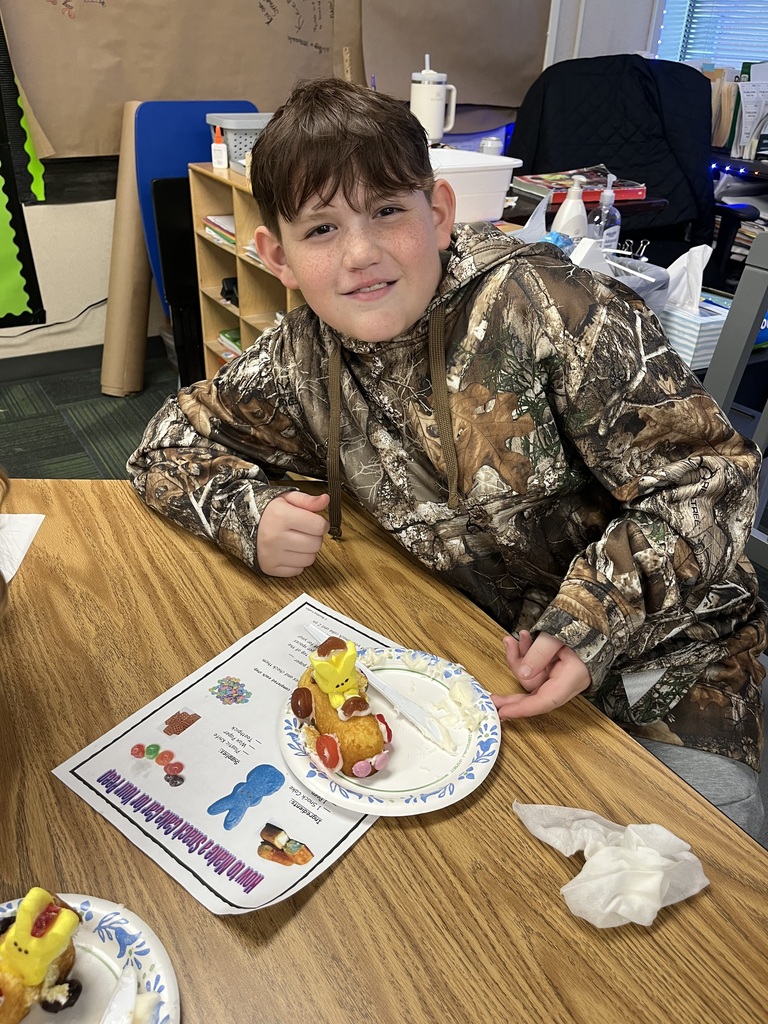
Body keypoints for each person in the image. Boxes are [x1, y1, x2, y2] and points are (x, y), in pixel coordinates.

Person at [128, 77, 766, 835]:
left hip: (669, 657)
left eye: (387, 212)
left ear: (437, 214)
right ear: (278, 256)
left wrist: (594, 618)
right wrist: (250, 514)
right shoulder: (299, 356)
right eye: (321, 229)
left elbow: (712, 480)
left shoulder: (551, 308)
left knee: (706, 847)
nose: (361, 254)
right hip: (478, 655)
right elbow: (165, 446)